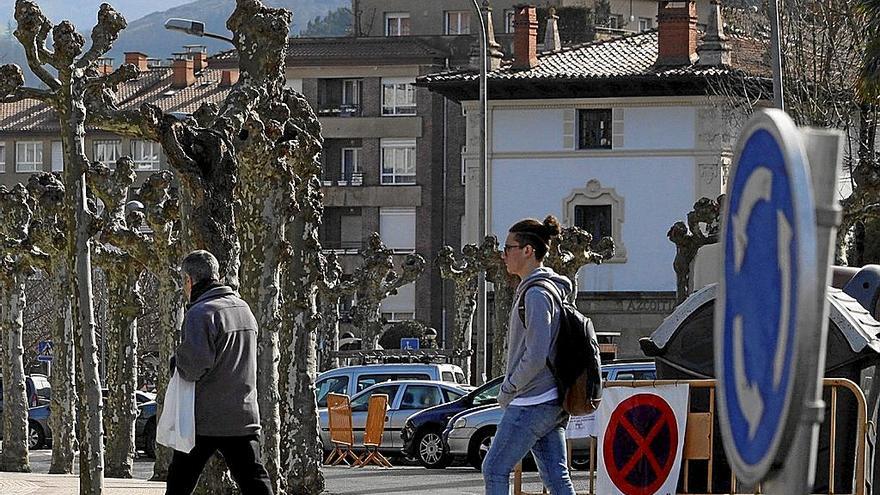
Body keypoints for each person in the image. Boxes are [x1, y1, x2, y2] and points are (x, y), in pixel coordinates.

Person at [165, 250, 274, 495]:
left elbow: (193, 366)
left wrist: (175, 362)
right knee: (254, 479)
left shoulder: (201, 313)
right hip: (243, 414)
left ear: (189, 280)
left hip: (206, 419)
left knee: (179, 480)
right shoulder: (243, 309)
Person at [482, 216, 576, 495]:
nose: (503, 255)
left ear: (528, 251)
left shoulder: (536, 294)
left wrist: (508, 388)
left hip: (533, 399)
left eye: (508, 248)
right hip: (551, 399)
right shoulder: (549, 290)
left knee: (494, 468)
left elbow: (535, 354)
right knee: (557, 478)